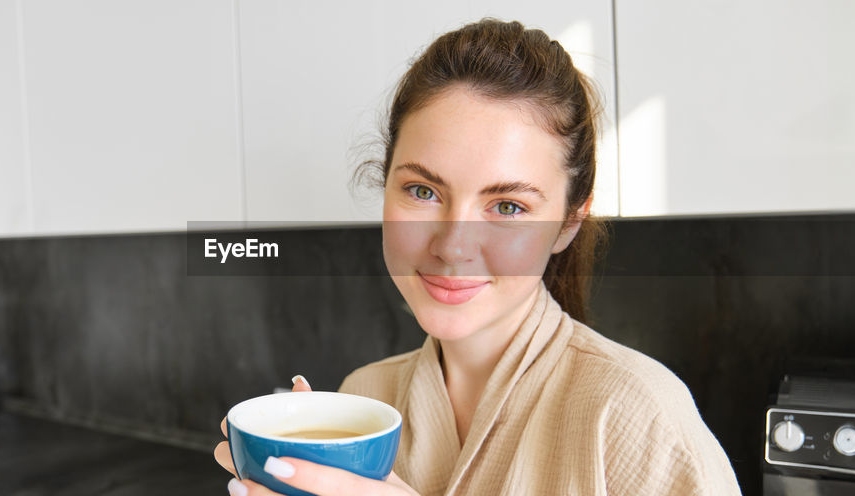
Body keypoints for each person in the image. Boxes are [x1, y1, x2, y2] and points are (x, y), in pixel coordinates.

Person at [215, 18, 741, 495]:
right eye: (423, 191)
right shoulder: (365, 397)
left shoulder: (635, 413)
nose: (452, 246)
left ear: (567, 222)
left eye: (508, 206)